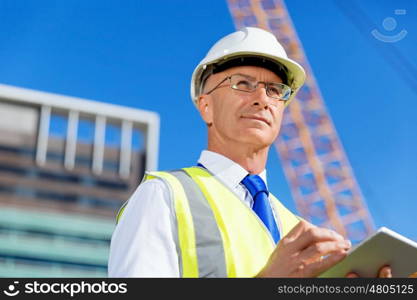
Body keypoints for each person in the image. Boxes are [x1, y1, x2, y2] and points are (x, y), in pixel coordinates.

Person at [108, 27, 391, 278]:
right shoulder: (163, 196)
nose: (262, 99)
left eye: (275, 90)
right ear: (205, 106)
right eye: (243, 84)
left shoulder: (298, 228)